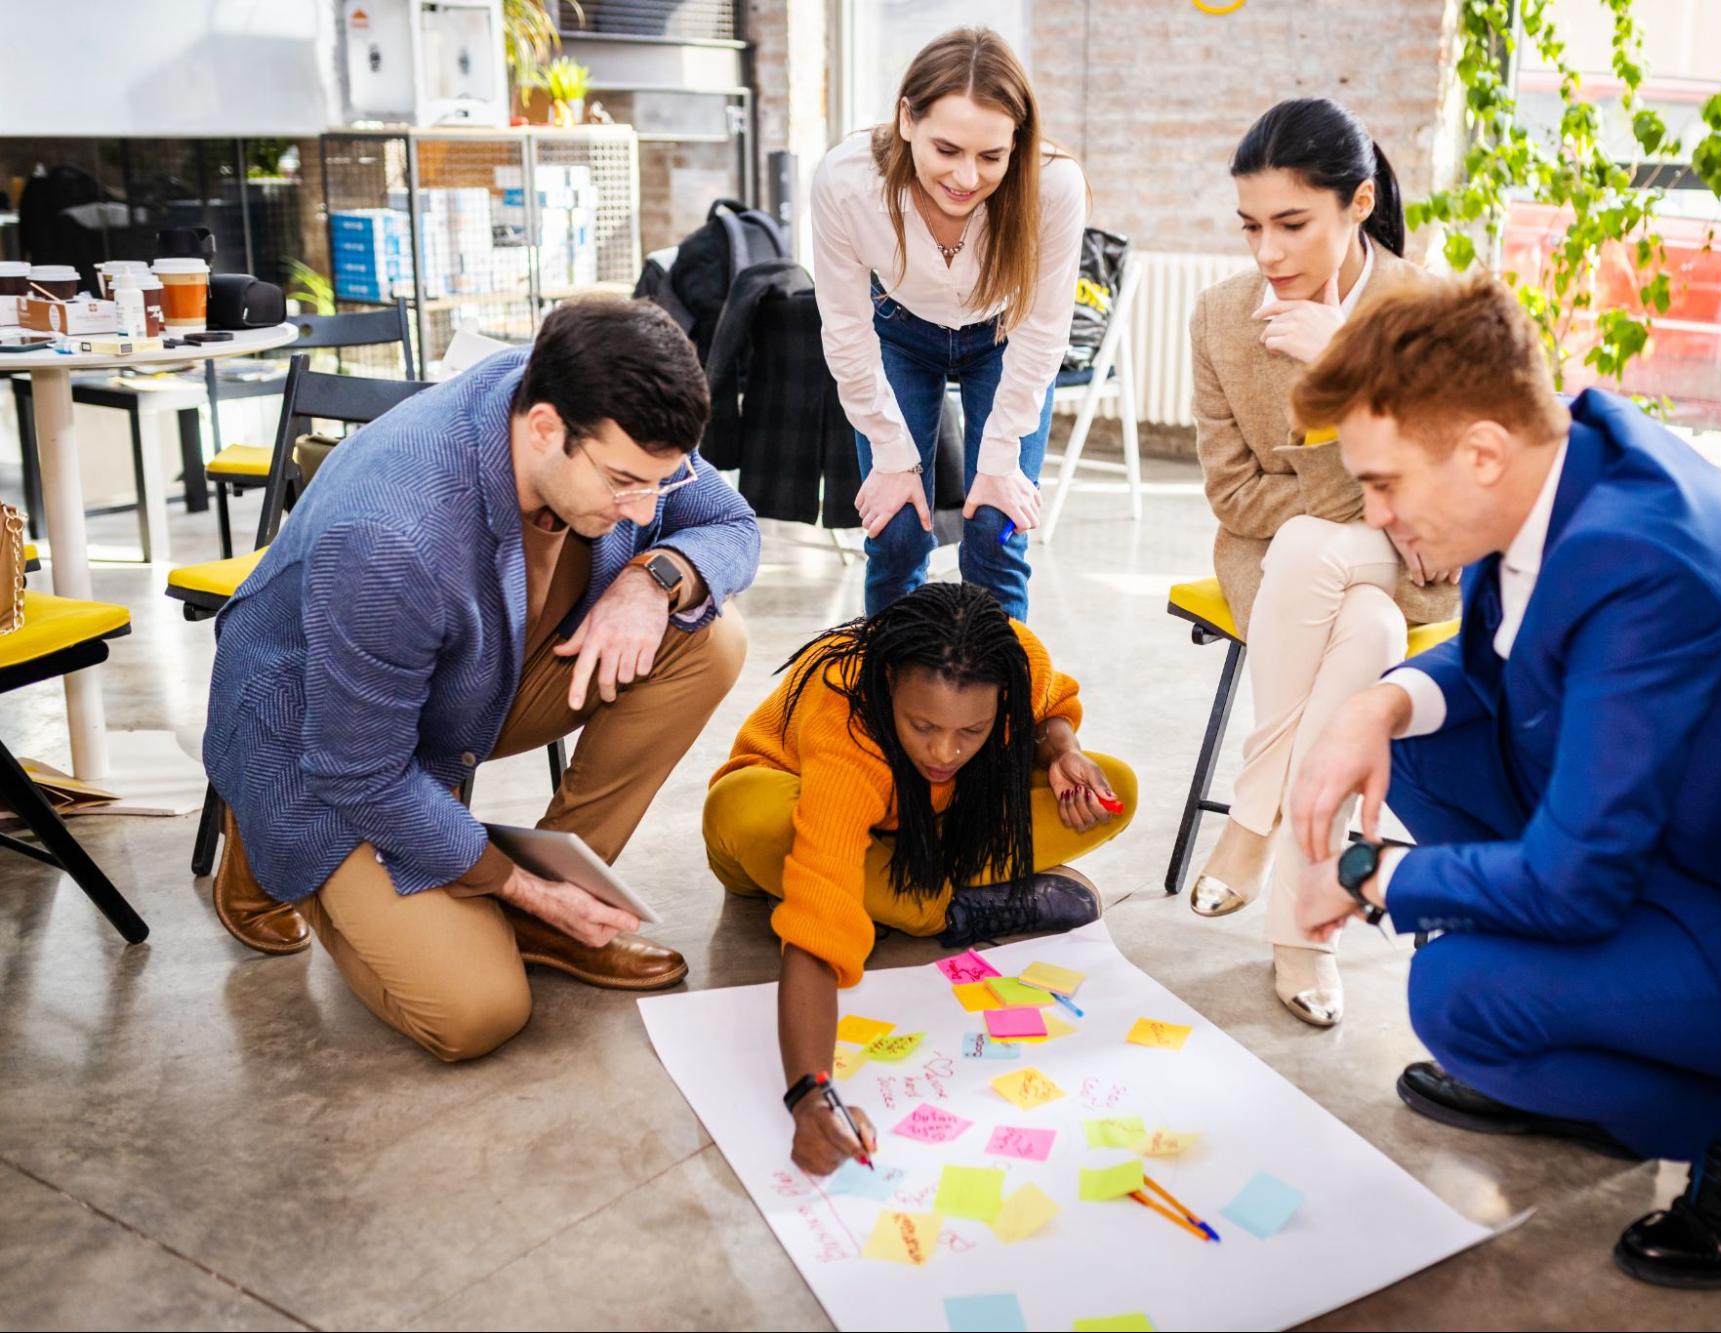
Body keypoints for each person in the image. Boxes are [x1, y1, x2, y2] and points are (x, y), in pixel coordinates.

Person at [1284, 272, 1721, 1288]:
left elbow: (1575, 885)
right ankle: (1600, 1046)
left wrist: (1369, 873)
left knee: (1459, 998)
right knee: (1427, 740)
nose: (1373, 510)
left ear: (1481, 450)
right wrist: (1380, 704)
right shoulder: (1565, 457)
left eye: (1384, 482)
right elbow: (1497, 655)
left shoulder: (1640, 565)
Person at [205, 299, 759, 1062]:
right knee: (477, 1012)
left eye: (658, 484)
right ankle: (260, 826)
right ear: (543, 429)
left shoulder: (603, 413)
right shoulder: (390, 535)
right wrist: (513, 881)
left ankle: (551, 911)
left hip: (465, 676)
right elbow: (360, 772)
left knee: (710, 637)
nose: (644, 506)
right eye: (625, 482)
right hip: (319, 748)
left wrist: (655, 576)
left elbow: (732, 526)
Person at [702, 582, 1138, 1173]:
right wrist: (810, 1095)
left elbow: (1047, 711)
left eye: (972, 732)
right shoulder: (845, 720)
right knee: (751, 812)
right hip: (785, 825)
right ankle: (941, 910)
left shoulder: (1015, 659)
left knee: (1113, 786)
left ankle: (904, 894)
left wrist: (1063, 750)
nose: (944, 752)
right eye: (922, 725)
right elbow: (818, 914)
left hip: (921, 836)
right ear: (888, 689)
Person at [1186, 98, 1458, 1027]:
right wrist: (1356, 498)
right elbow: (1234, 496)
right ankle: (1307, 928)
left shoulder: (1424, 310)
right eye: (1251, 225)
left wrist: (1340, 374)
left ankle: (1254, 818)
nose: (1267, 253)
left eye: (1292, 223)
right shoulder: (1224, 317)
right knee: (1358, 615)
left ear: (1358, 202)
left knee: (1331, 554)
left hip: (1413, 558)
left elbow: (1433, 500)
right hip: (1278, 566)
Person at [811, 26, 1087, 621]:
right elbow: (845, 329)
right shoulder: (846, 180)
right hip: (898, 331)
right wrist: (891, 455)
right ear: (907, 119)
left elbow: (1042, 333)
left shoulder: (1055, 185)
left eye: (991, 156)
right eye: (946, 150)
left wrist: (1000, 459)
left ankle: (1004, 701)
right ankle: (890, 695)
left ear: (1018, 141)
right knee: (899, 531)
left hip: (1003, 338)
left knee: (996, 529)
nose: (967, 178)